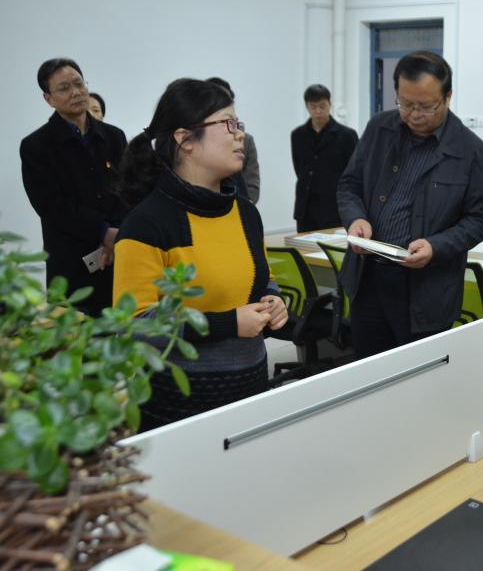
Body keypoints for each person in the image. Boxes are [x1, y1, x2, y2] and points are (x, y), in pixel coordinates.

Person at [113, 78, 288, 430]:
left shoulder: (245, 212)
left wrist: (273, 300)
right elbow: (135, 325)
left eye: (239, 123)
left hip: (250, 388)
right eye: (228, 124)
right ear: (185, 139)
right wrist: (229, 324)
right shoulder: (147, 223)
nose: (240, 134)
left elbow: (262, 280)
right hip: (178, 403)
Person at [337, 51, 483, 358]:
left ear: (448, 97)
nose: (414, 115)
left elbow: (480, 218)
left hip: (426, 290)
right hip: (368, 279)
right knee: (369, 372)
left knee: (417, 377)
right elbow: (349, 185)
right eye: (405, 104)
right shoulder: (379, 129)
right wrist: (356, 219)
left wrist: (436, 246)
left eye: (426, 106)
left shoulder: (471, 151)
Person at [20, 58, 128, 316]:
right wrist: (102, 231)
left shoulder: (114, 136)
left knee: (127, 332)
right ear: (48, 99)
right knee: (78, 336)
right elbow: (51, 206)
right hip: (72, 264)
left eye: (79, 84)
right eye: (64, 88)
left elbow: (128, 190)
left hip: (121, 254)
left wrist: (118, 232)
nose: (76, 92)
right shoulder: (36, 146)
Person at [291, 84, 359, 232]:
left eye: (322, 106)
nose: (318, 111)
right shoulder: (297, 135)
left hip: (334, 208)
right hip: (306, 208)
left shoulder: (347, 135)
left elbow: (354, 172)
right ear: (307, 106)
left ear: (330, 104)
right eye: (313, 106)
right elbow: (299, 168)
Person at [206, 77, 260, 203]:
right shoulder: (196, 140)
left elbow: (252, 184)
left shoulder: (245, 141)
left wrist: (245, 205)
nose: (239, 135)